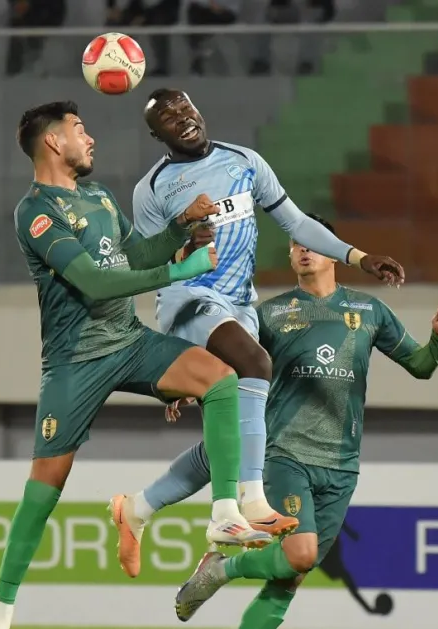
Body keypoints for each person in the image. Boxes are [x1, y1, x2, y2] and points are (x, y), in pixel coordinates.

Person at [0, 100, 271, 629]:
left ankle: (225, 514)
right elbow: (95, 281)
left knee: (221, 379)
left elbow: (136, 256)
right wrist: (179, 270)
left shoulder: (99, 197)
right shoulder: (36, 212)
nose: (90, 138)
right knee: (45, 488)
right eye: (79, 129)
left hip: (129, 340)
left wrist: (181, 229)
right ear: (53, 142)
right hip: (76, 361)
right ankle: (0, 612)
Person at [108, 88, 408, 579]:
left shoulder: (244, 161)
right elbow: (145, 262)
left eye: (185, 108)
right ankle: (243, 504)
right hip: (189, 299)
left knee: (231, 429)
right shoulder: (154, 188)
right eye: (168, 118)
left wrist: (359, 256)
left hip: (239, 303)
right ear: (156, 135)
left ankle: (137, 509)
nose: (182, 119)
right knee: (256, 364)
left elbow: (295, 222)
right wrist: (181, 243)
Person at [173, 214, 438, 625]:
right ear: (290, 256)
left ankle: (219, 570)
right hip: (286, 455)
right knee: (301, 554)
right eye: (295, 244)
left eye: (312, 242)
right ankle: (222, 570)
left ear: (334, 252)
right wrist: (186, 383)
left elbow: (420, 365)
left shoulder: (369, 311)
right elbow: (228, 363)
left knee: (290, 577)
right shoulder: (269, 314)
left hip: (342, 465)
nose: (303, 249)